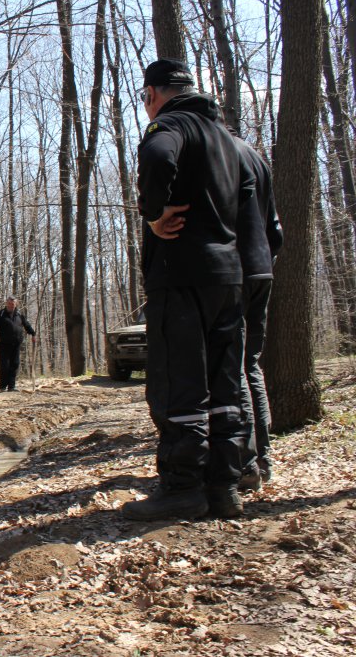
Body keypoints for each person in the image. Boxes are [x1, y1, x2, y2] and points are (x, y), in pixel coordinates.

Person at [122, 58, 255, 521]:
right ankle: (223, 488)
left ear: (153, 93)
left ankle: (181, 489)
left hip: (181, 275)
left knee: (179, 383)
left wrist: (152, 213)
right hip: (228, 275)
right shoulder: (225, 137)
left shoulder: (170, 123)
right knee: (224, 384)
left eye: (145, 98)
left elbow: (158, 157)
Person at [233, 134, 283, 491]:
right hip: (262, 268)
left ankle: (246, 463)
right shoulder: (257, 157)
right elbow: (275, 230)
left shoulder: (215, 152)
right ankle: (263, 459)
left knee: (231, 366)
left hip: (231, 272)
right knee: (250, 364)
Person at [0, 297, 36, 391]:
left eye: (12, 304)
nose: (10, 305)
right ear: (6, 304)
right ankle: (2, 386)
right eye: (9, 303)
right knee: (5, 365)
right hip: (4, 344)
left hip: (16, 344)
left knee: (15, 364)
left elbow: (26, 325)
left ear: (15, 304)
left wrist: (33, 334)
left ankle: (11, 386)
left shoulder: (19, 314)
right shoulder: (0, 314)